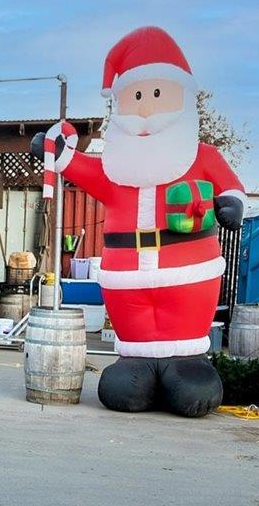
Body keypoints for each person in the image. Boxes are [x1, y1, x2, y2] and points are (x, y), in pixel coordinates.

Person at [32, 26, 244, 417]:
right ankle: (136, 365)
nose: (146, 108)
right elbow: (83, 168)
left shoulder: (200, 156)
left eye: (158, 95)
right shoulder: (116, 168)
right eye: (136, 97)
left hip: (189, 276)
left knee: (191, 381)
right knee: (124, 385)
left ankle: (187, 364)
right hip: (126, 282)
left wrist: (231, 204)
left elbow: (230, 187)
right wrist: (58, 153)